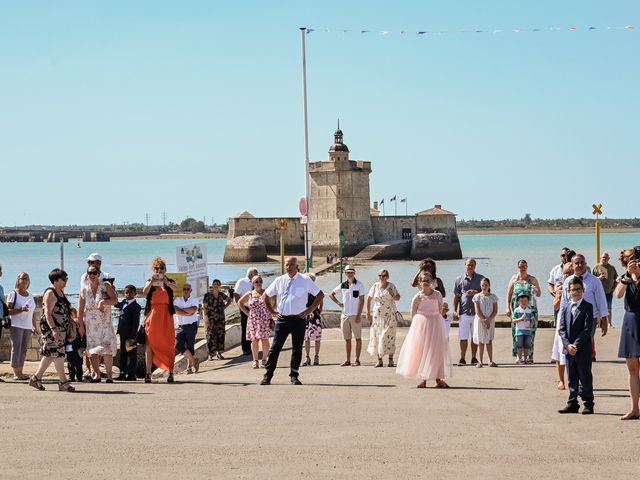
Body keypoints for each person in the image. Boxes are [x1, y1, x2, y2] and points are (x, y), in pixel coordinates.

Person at [261, 257, 324, 385]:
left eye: (290, 265)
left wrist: (309, 310)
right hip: (282, 319)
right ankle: (268, 375)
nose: (288, 267)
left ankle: (294, 375)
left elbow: (320, 295)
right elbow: (265, 295)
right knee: (275, 348)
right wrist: (272, 312)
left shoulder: (305, 280)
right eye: (286, 265)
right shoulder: (279, 280)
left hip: (298, 319)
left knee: (297, 349)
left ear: (296, 266)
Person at [396, 272, 451, 388]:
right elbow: (413, 312)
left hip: (436, 323)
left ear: (431, 281)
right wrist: (421, 322)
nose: (425, 282)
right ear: (419, 283)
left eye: (427, 280)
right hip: (421, 325)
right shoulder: (418, 297)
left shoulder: (437, 294)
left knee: (436, 350)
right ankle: (422, 378)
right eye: (423, 280)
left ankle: (438, 378)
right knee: (421, 350)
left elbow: (440, 309)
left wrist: (434, 317)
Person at [29, 268, 76, 392]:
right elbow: (48, 313)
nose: (66, 281)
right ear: (55, 280)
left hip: (61, 328)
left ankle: (36, 378)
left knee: (50, 354)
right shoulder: (50, 293)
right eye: (63, 279)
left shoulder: (60, 291)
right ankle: (63, 382)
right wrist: (53, 329)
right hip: (52, 328)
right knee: (58, 354)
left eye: (66, 279)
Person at [559, 253, 608, 361]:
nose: (580, 265)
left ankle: (585, 367)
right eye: (577, 263)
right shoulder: (568, 281)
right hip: (571, 318)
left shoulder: (594, 280)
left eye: (582, 262)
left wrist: (604, 319)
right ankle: (574, 369)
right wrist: (559, 323)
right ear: (572, 265)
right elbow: (564, 303)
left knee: (585, 343)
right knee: (573, 344)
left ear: (585, 264)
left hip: (590, 318)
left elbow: (601, 300)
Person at [558, 277, 595, 415]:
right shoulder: (566, 306)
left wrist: (576, 345)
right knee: (572, 377)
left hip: (582, 348)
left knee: (585, 376)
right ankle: (572, 402)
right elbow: (562, 329)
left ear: (583, 290)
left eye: (578, 289)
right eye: (573, 290)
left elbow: (587, 329)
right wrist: (567, 345)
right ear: (568, 291)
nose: (576, 292)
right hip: (569, 349)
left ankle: (589, 403)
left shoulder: (588, 307)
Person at [77, 265, 118, 382]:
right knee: (93, 349)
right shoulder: (84, 289)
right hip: (91, 324)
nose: (92, 275)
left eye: (94, 273)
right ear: (87, 275)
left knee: (107, 348)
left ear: (99, 274)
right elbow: (80, 309)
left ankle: (110, 376)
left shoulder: (105, 286)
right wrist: (80, 325)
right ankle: (97, 374)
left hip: (104, 322)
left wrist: (103, 302)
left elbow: (115, 300)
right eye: (90, 273)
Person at [142, 257, 178, 383]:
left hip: (166, 316)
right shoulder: (150, 281)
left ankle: (170, 372)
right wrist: (152, 281)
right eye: (156, 268)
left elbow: (176, 289)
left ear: (165, 269)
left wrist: (166, 282)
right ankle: (147, 373)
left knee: (169, 344)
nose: (159, 270)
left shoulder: (169, 281)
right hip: (152, 315)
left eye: (161, 268)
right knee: (150, 345)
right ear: (153, 269)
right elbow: (145, 291)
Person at [615, 248, 640, 420]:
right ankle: (634, 408)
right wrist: (627, 278)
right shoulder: (625, 278)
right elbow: (617, 294)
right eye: (633, 261)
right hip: (630, 321)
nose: (636, 264)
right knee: (632, 368)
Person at [330, 265, 366, 367]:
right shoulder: (342, 285)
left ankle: (357, 360)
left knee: (358, 338)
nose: (350, 274)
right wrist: (338, 303)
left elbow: (362, 300)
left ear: (354, 273)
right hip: (345, 315)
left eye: (351, 272)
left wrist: (359, 315)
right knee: (347, 339)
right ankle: (348, 360)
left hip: (355, 315)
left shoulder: (359, 285)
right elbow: (331, 294)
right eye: (348, 272)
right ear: (345, 273)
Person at [506, 259, 541, 362]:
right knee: (516, 332)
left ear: (527, 267)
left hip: (531, 310)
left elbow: (539, 294)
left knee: (531, 332)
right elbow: (508, 295)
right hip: (516, 310)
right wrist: (507, 307)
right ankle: (518, 356)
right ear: (518, 267)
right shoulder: (514, 279)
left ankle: (530, 356)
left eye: (524, 266)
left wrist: (536, 289)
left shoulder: (532, 279)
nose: (522, 268)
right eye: (521, 266)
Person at [366, 268, 401, 367]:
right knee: (377, 336)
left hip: (390, 315)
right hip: (377, 315)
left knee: (389, 336)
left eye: (384, 275)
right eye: (380, 275)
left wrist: (391, 294)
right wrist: (368, 313)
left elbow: (398, 297)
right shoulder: (375, 286)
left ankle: (390, 360)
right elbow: (368, 299)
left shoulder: (391, 286)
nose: (381, 277)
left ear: (387, 277)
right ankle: (380, 360)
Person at [453, 258, 484, 365]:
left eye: (472, 265)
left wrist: (476, 292)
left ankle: (474, 358)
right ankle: (462, 358)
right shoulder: (459, 279)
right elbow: (456, 296)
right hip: (463, 313)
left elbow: (486, 292)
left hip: (477, 313)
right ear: (465, 265)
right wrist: (455, 311)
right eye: (468, 265)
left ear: (475, 266)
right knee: (463, 337)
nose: (470, 266)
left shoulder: (481, 278)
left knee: (475, 337)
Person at [6, 272, 36, 380]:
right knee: (16, 348)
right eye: (22, 278)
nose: (24, 280)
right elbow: (7, 311)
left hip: (27, 326)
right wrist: (20, 310)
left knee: (23, 349)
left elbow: (33, 312)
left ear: (29, 282)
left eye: (27, 279)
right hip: (16, 325)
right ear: (18, 280)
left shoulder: (31, 295)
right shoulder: (13, 294)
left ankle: (21, 371)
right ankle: (16, 373)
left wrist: (34, 325)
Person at [238, 275, 272, 369]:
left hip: (264, 319)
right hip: (253, 319)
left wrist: (272, 313)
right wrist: (247, 313)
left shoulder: (266, 293)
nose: (258, 283)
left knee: (265, 339)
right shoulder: (250, 294)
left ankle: (264, 359)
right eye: (256, 282)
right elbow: (240, 303)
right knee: (254, 340)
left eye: (260, 281)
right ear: (253, 284)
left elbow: (274, 300)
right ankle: (255, 360)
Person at [551, 263, 574, 390]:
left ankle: (574, 380)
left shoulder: (578, 287)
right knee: (560, 351)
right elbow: (555, 307)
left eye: (570, 273)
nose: (567, 276)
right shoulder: (561, 288)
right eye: (565, 273)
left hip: (575, 319)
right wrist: (559, 295)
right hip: (562, 319)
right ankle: (561, 380)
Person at [115, 285, 141, 381]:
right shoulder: (123, 303)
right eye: (126, 292)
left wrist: (133, 336)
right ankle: (122, 373)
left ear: (135, 293)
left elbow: (136, 323)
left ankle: (131, 374)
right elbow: (115, 303)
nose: (127, 294)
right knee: (123, 354)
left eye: (130, 292)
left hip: (130, 334)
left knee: (131, 354)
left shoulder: (136, 306)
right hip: (122, 333)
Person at [174, 283, 200, 375]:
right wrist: (186, 312)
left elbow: (193, 310)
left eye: (188, 289)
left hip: (191, 325)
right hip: (180, 326)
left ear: (191, 291)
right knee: (178, 345)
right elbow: (175, 310)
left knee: (190, 346)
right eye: (184, 289)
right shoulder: (177, 300)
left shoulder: (194, 300)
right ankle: (194, 360)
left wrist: (181, 310)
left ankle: (189, 368)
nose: (186, 290)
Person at [203, 279, 232, 360]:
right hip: (211, 319)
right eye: (215, 284)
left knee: (220, 335)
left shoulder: (221, 295)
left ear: (219, 286)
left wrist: (224, 307)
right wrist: (206, 319)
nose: (216, 285)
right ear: (212, 285)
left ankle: (219, 353)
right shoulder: (207, 295)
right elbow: (204, 308)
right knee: (210, 336)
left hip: (220, 319)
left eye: (218, 284)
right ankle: (210, 354)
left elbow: (229, 300)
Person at [472, 277, 498, 367]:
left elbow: (495, 311)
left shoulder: (493, 297)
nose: (484, 287)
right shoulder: (477, 297)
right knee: (481, 341)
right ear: (480, 286)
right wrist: (484, 320)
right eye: (483, 285)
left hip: (490, 320)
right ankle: (480, 361)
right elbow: (477, 310)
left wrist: (489, 319)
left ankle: (490, 361)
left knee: (489, 340)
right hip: (480, 320)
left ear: (489, 286)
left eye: (486, 285)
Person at [234, 267, 258, 356]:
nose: (257, 276)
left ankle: (252, 347)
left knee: (253, 328)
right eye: (256, 273)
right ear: (251, 274)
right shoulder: (242, 282)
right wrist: (239, 307)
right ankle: (245, 348)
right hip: (245, 307)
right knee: (245, 328)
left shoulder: (255, 282)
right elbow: (236, 294)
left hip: (254, 308)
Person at [592, 252, 618, 328]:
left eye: (606, 258)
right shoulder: (596, 267)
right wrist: (599, 278)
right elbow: (592, 280)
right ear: (600, 258)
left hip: (609, 292)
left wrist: (614, 288)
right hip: (599, 292)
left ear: (608, 259)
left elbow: (615, 278)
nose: (604, 259)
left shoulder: (612, 268)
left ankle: (609, 323)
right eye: (603, 257)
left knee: (609, 308)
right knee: (598, 307)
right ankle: (599, 324)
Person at [302, 273, 323, 366]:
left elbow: (321, 299)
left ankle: (315, 357)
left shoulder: (316, 289)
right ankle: (308, 357)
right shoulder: (304, 290)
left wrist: (319, 309)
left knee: (315, 337)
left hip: (313, 315)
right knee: (307, 337)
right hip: (307, 315)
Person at [547, 247, 571, 324]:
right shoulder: (555, 269)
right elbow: (550, 283)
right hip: (558, 300)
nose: (565, 257)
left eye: (567, 255)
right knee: (558, 324)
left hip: (571, 300)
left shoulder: (575, 268)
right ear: (560, 257)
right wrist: (554, 293)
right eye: (563, 255)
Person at [512, 294, 535, 364]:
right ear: (518, 302)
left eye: (525, 301)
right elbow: (513, 320)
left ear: (528, 302)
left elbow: (532, 320)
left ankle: (525, 359)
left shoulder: (529, 311)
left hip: (528, 331)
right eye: (521, 301)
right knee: (519, 345)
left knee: (527, 346)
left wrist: (531, 325)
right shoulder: (517, 310)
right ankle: (519, 359)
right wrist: (521, 319)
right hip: (519, 331)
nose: (524, 302)